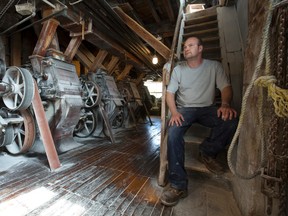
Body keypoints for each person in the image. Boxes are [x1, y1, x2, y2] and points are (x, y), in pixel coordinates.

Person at [160, 36, 238, 206]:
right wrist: (174, 113)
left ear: (200, 48)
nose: (186, 49)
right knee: (173, 132)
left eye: (190, 45)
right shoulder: (178, 70)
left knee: (231, 120)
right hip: (185, 109)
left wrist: (225, 104)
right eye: (184, 46)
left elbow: (226, 87)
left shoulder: (214, 66)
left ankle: (207, 151)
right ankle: (178, 185)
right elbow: (170, 93)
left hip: (207, 108)